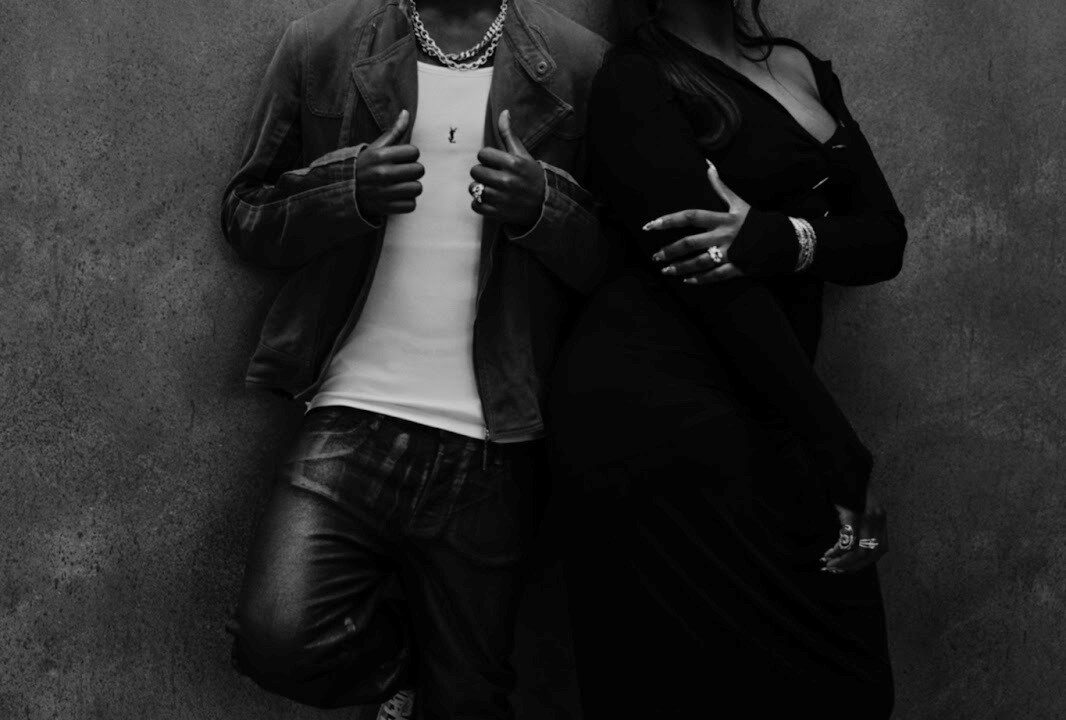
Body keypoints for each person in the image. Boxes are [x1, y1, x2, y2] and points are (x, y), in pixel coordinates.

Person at [219, 0, 608, 717]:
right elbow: (246, 214)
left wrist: (543, 207)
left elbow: (617, 265)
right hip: (351, 413)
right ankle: (414, 670)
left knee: (470, 700)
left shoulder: (580, 62)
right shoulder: (321, 44)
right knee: (278, 638)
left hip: (498, 440)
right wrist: (348, 189)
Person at [549, 0, 907, 716]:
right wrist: (839, 451)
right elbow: (713, 283)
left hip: (766, 400)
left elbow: (884, 241)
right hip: (654, 411)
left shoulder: (800, 67)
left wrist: (778, 238)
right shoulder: (637, 80)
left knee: (847, 689)